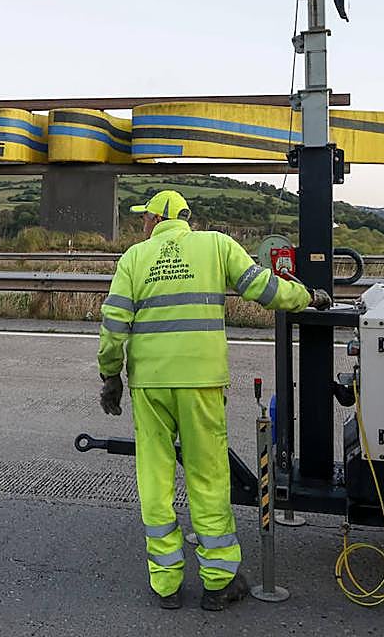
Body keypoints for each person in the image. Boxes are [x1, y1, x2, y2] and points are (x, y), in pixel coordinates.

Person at [96, 190, 331, 611]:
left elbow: (114, 323)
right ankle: (219, 582)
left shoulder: (133, 258)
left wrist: (110, 375)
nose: (141, 225)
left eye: (143, 218)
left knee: (155, 477)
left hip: (149, 385)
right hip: (201, 382)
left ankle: (166, 584)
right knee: (207, 478)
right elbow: (264, 288)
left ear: (156, 219)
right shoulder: (216, 245)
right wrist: (308, 297)